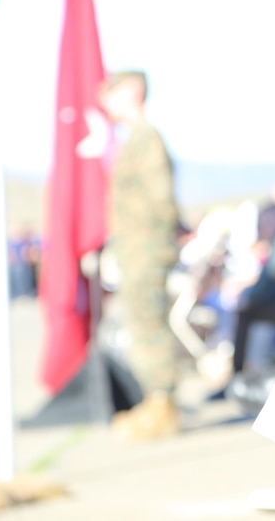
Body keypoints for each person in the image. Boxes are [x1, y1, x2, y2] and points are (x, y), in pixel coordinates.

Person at [98, 70, 183, 443]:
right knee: (139, 323)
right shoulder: (133, 139)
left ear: (132, 93)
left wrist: (157, 247)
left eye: (112, 95)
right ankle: (154, 399)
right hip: (135, 248)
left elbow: (160, 200)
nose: (106, 105)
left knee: (148, 324)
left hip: (146, 249)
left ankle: (161, 404)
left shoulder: (147, 138)